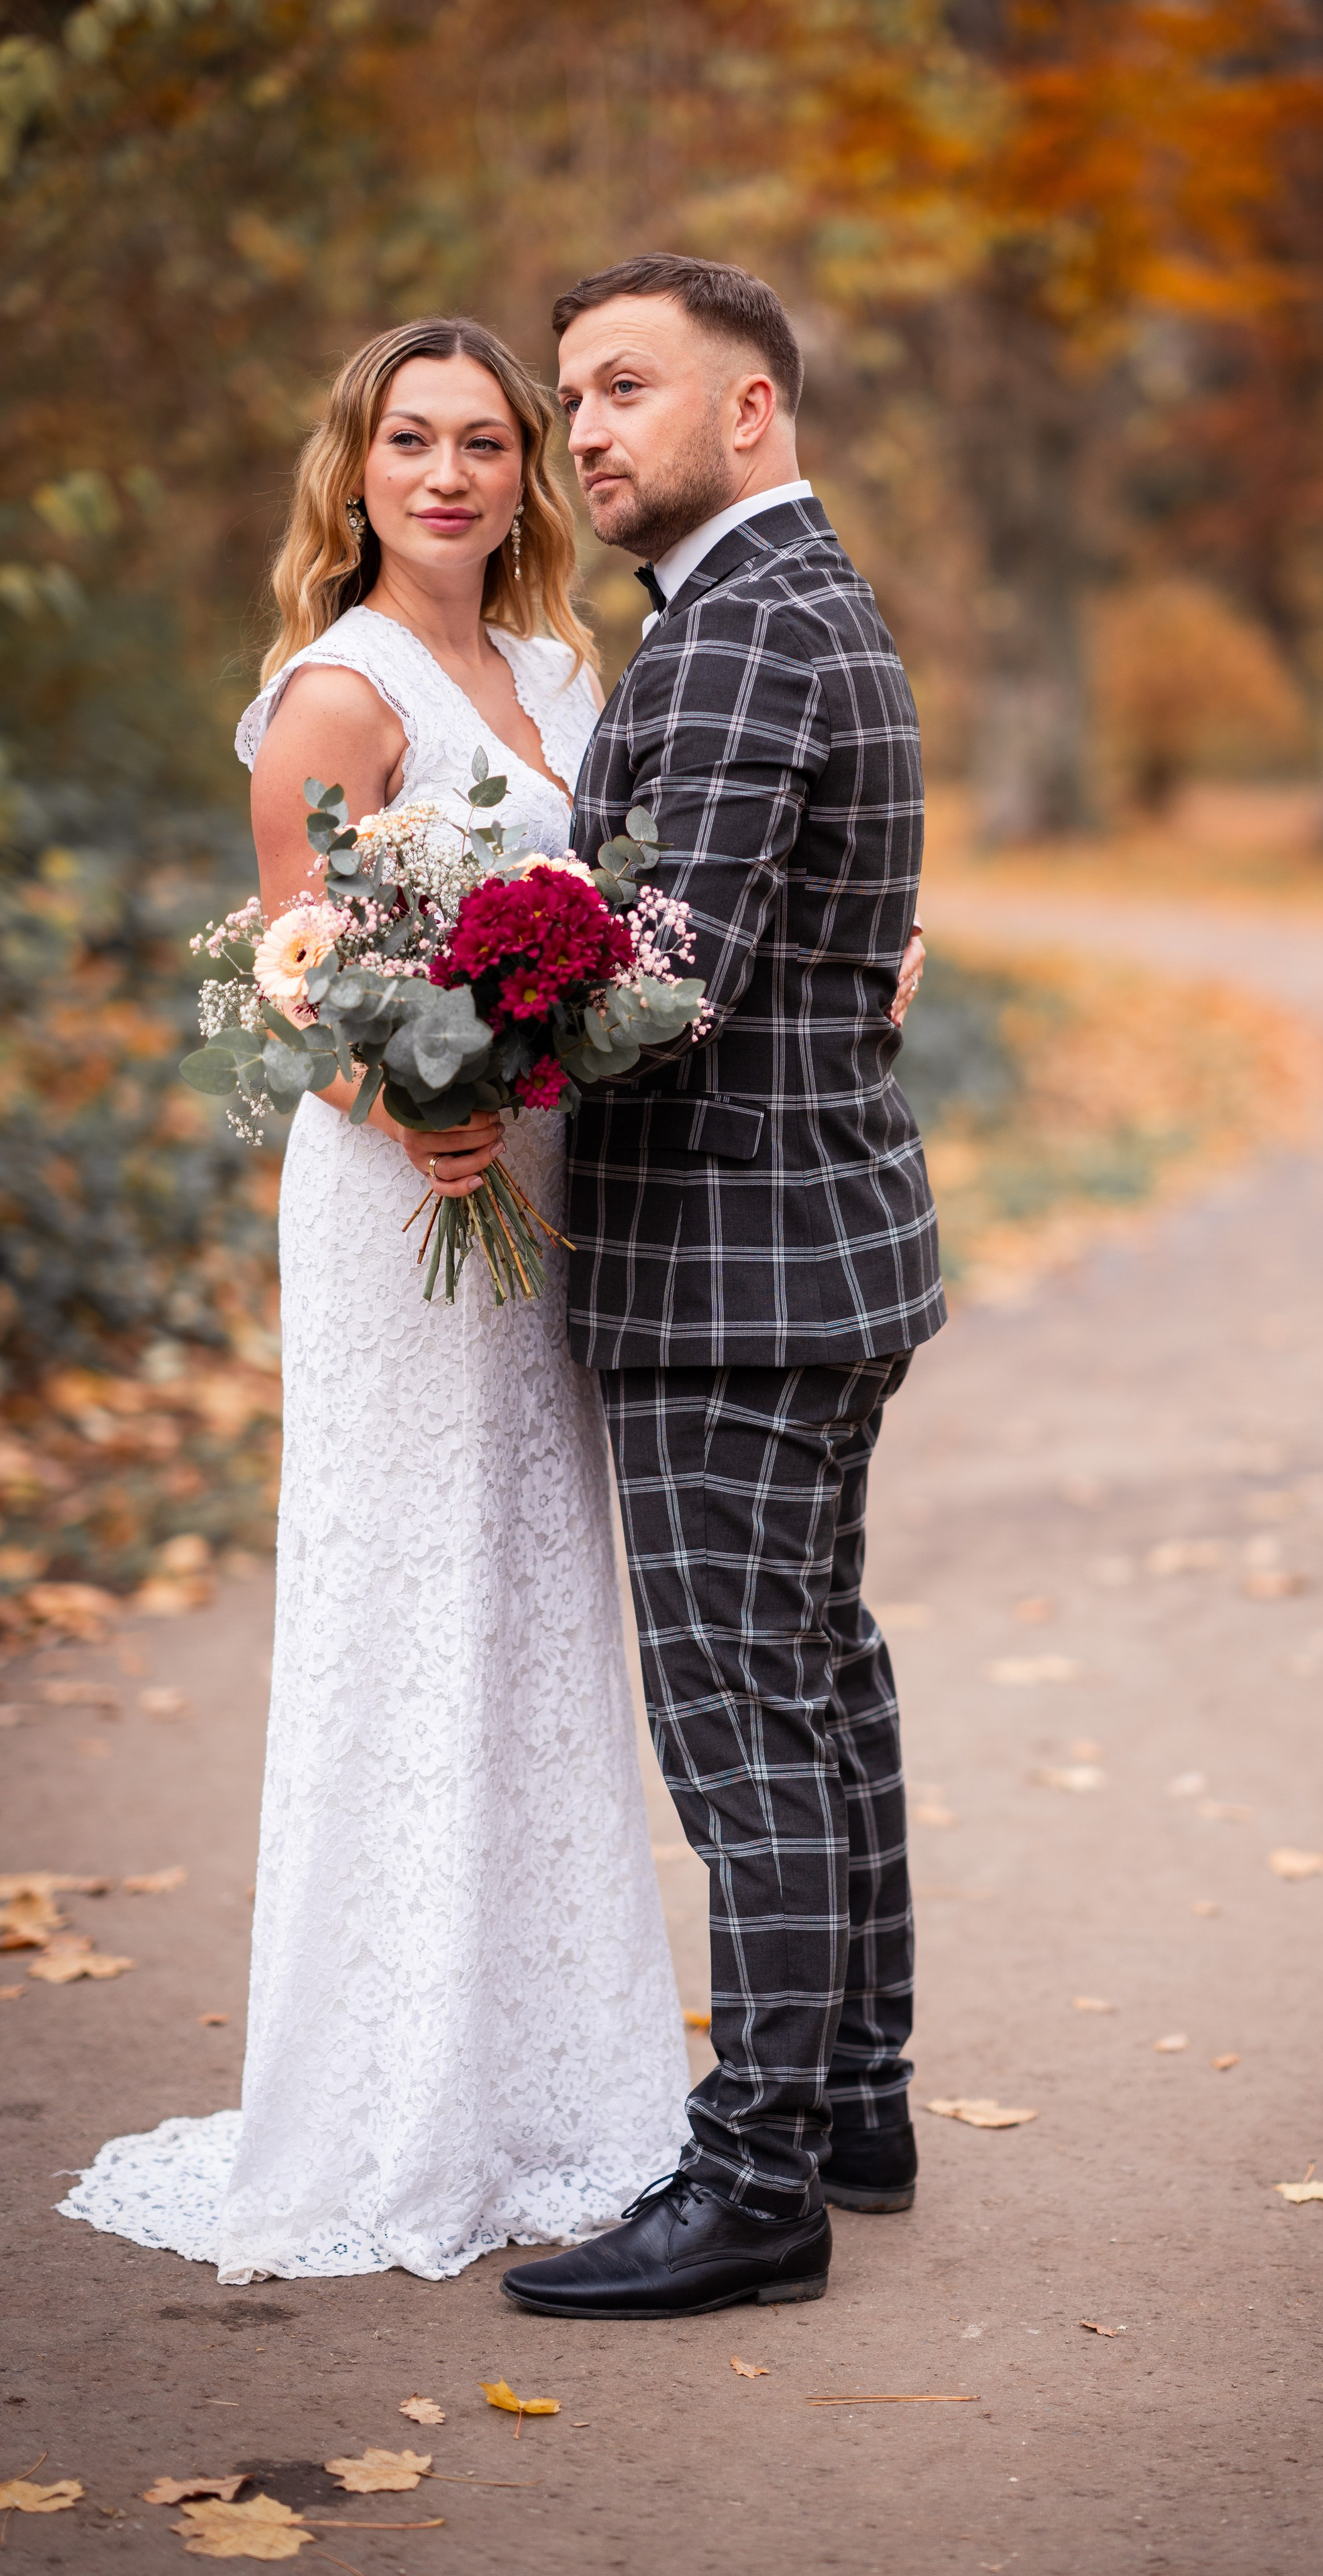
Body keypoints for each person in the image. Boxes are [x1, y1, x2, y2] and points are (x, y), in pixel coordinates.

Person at [58, 316, 701, 2281]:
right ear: (356, 472)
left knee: (528, 1601)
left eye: (487, 443)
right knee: (411, 1606)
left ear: (525, 473)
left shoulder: (564, 672)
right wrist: (410, 1099)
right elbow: (289, 969)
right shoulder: (338, 693)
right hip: (401, 1193)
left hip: (539, 1188)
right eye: (412, 441)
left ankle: (556, 2092)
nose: (451, 475)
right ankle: (388, 2109)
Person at [500, 256, 943, 2325]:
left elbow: (665, 983)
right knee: (820, 1677)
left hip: (729, 1275)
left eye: (625, 391)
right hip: (818, 1245)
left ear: (748, 411)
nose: (585, 432)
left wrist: (442, 1022)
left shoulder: (743, 633)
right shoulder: (786, 608)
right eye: (571, 398)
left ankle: (754, 2177)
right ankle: (854, 2093)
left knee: (741, 1716)